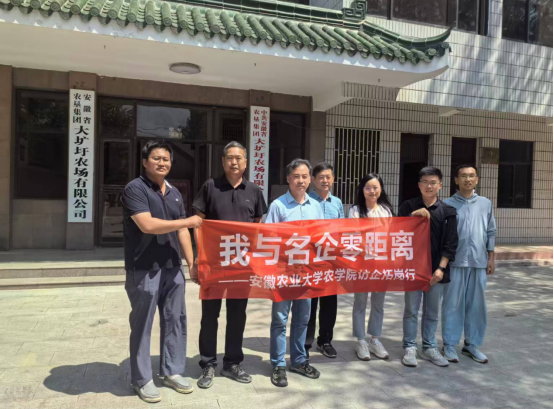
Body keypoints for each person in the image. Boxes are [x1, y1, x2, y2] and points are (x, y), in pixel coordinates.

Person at [121, 140, 203, 403]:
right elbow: (147, 225)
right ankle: (141, 379)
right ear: (145, 162)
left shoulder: (175, 192)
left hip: (172, 268)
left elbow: (182, 231)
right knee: (142, 324)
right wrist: (187, 221)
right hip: (144, 268)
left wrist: (191, 263)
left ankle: (172, 371)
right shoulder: (135, 189)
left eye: (166, 159)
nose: (162, 163)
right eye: (156, 158)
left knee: (175, 320)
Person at [190, 141, 267, 389]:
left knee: (237, 315)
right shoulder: (210, 186)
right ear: (223, 161)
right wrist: (198, 257)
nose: (234, 162)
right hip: (214, 264)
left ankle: (232, 362)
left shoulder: (254, 190)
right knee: (209, 316)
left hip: (241, 266)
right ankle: (208, 363)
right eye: (230, 158)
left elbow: (257, 225)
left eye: (239, 158)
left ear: (246, 162)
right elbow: (197, 224)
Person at [265, 159, 324, 387]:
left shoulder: (315, 206)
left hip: (306, 273)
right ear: (288, 179)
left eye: (305, 176)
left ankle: (299, 360)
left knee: (302, 319)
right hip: (283, 272)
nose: (301, 181)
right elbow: (269, 240)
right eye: (296, 176)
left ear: (310, 180)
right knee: (280, 320)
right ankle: (278, 364)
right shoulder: (278, 206)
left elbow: (321, 238)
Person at [398, 166, 458, 368]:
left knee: (432, 312)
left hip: (436, 271)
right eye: (425, 182)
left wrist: (441, 269)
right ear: (419, 185)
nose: (429, 186)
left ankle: (429, 346)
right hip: (412, 269)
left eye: (433, 182)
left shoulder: (448, 211)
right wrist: (412, 217)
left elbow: (451, 243)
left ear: (440, 185)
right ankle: (409, 347)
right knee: (411, 310)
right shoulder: (408, 206)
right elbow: (396, 233)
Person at [442, 164, 496, 364]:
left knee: (476, 306)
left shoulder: (485, 203)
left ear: (477, 179)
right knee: (452, 305)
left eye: (472, 176)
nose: (468, 179)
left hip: (478, 262)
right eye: (463, 176)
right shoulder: (447, 204)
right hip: (455, 263)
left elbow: (491, 230)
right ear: (456, 180)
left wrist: (491, 257)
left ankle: (471, 344)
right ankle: (449, 344)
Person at [350, 173, 394, 361]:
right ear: (362, 189)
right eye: (368, 187)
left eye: (375, 187)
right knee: (360, 303)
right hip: (361, 265)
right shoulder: (355, 210)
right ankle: (361, 341)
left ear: (381, 189)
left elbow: (390, 237)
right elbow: (353, 237)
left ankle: (375, 339)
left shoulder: (386, 211)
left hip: (381, 265)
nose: (372, 191)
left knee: (378, 303)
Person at [304, 162, 344, 359]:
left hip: (331, 262)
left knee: (329, 304)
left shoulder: (337, 203)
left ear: (333, 179)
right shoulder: (306, 201)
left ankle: (325, 341)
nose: (325, 181)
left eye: (328, 177)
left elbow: (343, 231)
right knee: (309, 305)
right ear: (313, 179)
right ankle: (305, 342)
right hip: (310, 262)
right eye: (321, 177)